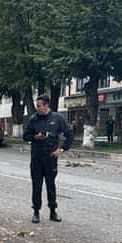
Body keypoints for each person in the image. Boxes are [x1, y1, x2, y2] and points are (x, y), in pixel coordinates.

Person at [23, 94, 73, 223]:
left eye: (39, 105)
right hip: (36, 157)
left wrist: (61, 149)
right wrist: (35, 137)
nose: (37, 107)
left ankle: (53, 210)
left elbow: (69, 134)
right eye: (36, 105)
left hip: (50, 157)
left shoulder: (57, 118)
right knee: (37, 184)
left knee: (51, 184)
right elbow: (26, 136)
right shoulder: (33, 119)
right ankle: (36, 211)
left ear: (46, 105)